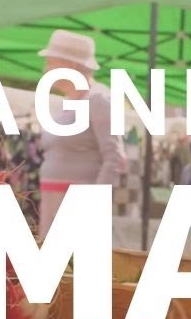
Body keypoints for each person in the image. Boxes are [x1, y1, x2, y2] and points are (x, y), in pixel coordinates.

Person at [35, 30, 126, 239]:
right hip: (53, 204)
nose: (45, 69)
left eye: (51, 62)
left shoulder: (98, 99)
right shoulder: (70, 103)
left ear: (71, 65)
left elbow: (115, 158)